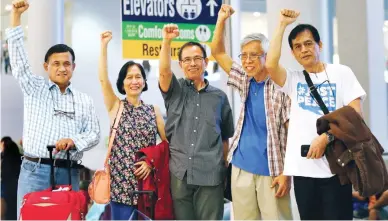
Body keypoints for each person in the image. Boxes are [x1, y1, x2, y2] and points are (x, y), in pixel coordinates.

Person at [265, 9, 366, 220]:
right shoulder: (293, 79)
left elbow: (356, 117)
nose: (304, 50)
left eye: (309, 43)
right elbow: (270, 64)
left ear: (320, 45)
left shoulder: (342, 73)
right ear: (293, 53)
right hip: (303, 171)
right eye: (298, 46)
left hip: (336, 169)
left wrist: (327, 137)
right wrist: (282, 24)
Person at [6, 1, 101, 218]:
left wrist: (74, 141)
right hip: (34, 171)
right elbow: (19, 64)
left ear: (73, 68)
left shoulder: (84, 100)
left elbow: (95, 133)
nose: (62, 68)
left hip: (69, 172)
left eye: (67, 64)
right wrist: (16, 19)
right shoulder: (34, 88)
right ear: (46, 67)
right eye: (56, 63)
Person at [210, 4, 292, 220]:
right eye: (243, 55)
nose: (247, 61)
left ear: (267, 56)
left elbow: (291, 133)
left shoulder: (282, 87)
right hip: (240, 166)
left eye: (254, 55)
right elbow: (217, 52)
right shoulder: (244, 79)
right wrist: (221, 20)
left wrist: (286, 172)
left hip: (272, 171)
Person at [158, 24, 235, 220]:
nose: (192, 63)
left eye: (197, 59)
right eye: (187, 60)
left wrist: (222, 166)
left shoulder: (219, 98)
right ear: (181, 63)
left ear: (206, 62)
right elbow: (164, 72)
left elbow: (225, 137)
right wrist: (166, 41)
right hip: (179, 173)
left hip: (210, 174)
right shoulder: (175, 91)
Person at [99, 31, 167, 220]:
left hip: (147, 187)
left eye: (138, 77)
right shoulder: (116, 106)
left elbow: (166, 146)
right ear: (122, 83)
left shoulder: (153, 111)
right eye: (129, 77)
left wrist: (150, 162)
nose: (134, 81)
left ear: (144, 81)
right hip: (120, 188)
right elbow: (104, 80)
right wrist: (103, 47)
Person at [1, 136, 22, 220]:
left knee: (8, 206)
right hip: (17, 183)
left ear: (3, 143)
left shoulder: (5, 156)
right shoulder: (16, 153)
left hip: (7, 184)